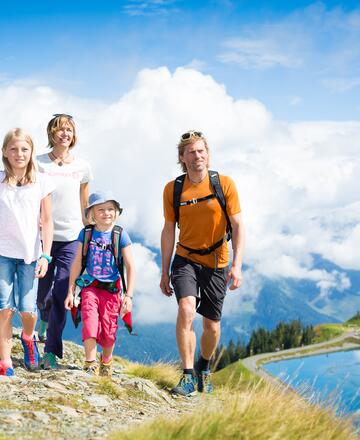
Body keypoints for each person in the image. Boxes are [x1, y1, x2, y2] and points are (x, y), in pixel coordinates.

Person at [160, 130, 245, 396]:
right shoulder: (173, 189)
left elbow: (238, 225)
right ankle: (186, 375)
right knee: (186, 311)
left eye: (201, 151)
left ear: (207, 154)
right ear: (182, 158)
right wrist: (164, 271)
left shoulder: (224, 184)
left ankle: (204, 368)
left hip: (217, 260)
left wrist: (237, 264)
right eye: (191, 152)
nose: (197, 156)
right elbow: (168, 229)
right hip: (185, 257)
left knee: (212, 326)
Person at [37, 114, 93, 369]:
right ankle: (43, 316)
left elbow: (85, 203)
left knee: (62, 293)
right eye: (60, 130)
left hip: (72, 238)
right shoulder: (38, 164)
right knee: (41, 295)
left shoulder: (82, 166)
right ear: (51, 134)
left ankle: (50, 351)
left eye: (69, 130)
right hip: (42, 238)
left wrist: (89, 234)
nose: (65, 134)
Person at [0, 128, 54, 376]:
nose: (19, 153)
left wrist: (46, 255)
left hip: (30, 255)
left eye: (24, 149)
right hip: (2, 253)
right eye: (13, 149)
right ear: (5, 152)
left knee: (27, 309)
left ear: (31, 152)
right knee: (4, 307)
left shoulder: (41, 182)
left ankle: (29, 338)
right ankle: (6, 361)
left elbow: (47, 220)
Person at [64, 191, 135, 376]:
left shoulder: (121, 235)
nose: (106, 213)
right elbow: (77, 263)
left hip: (112, 290)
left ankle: (106, 362)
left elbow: (130, 266)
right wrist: (71, 291)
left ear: (116, 212)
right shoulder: (87, 233)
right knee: (90, 322)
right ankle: (89, 363)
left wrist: (129, 296)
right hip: (90, 287)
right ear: (92, 213)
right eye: (101, 209)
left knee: (109, 330)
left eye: (110, 209)